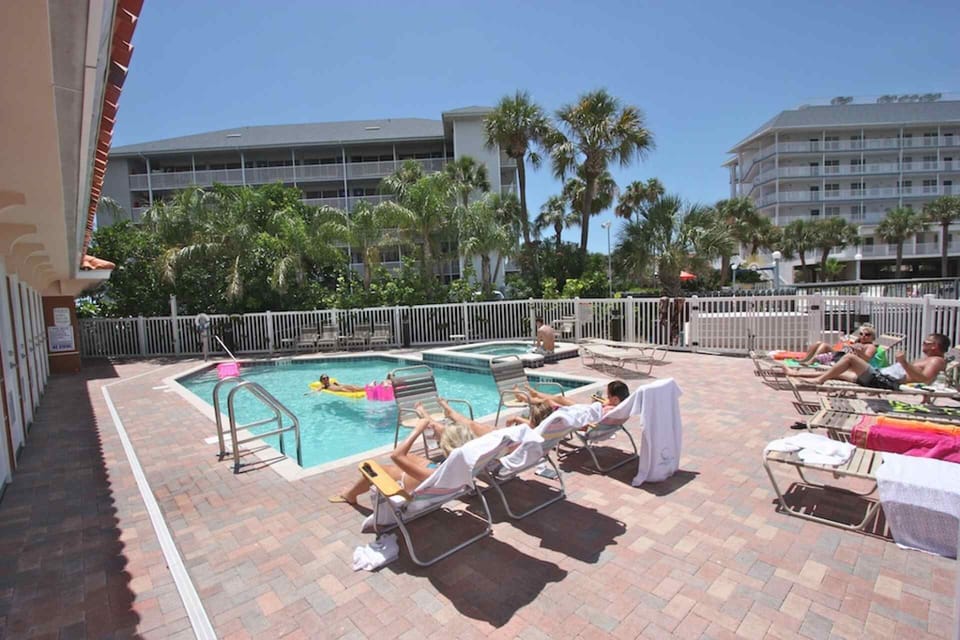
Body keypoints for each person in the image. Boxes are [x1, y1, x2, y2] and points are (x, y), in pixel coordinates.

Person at [329, 402, 477, 504]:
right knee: (410, 457)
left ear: (446, 445)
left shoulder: (434, 475)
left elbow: (395, 455)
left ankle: (350, 495)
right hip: (431, 478)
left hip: (408, 486)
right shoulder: (467, 460)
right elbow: (452, 435)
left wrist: (417, 430)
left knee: (374, 470)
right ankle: (398, 469)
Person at [787, 333, 949, 390]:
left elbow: (925, 379)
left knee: (849, 358)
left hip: (884, 380)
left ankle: (819, 381)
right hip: (880, 378)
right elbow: (924, 381)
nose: (923, 344)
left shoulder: (936, 361)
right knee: (839, 373)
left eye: (926, 342)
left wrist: (904, 362)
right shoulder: (930, 360)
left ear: (935, 346)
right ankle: (797, 374)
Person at [523, 380, 630, 424]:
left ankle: (527, 398)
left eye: (609, 395)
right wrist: (602, 402)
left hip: (580, 415)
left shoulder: (610, 411)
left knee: (548, 402)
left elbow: (593, 419)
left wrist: (599, 404)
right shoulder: (622, 406)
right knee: (561, 398)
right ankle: (535, 394)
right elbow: (602, 407)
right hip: (585, 410)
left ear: (616, 399)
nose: (607, 397)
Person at [797, 324, 877, 365]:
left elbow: (867, 359)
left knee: (824, 346)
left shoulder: (870, 346)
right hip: (840, 353)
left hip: (843, 357)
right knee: (819, 343)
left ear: (873, 337)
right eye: (861, 334)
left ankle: (811, 361)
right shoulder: (858, 341)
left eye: (867, 335)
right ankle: (806, 359)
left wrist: (857, 350)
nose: (863, 336)